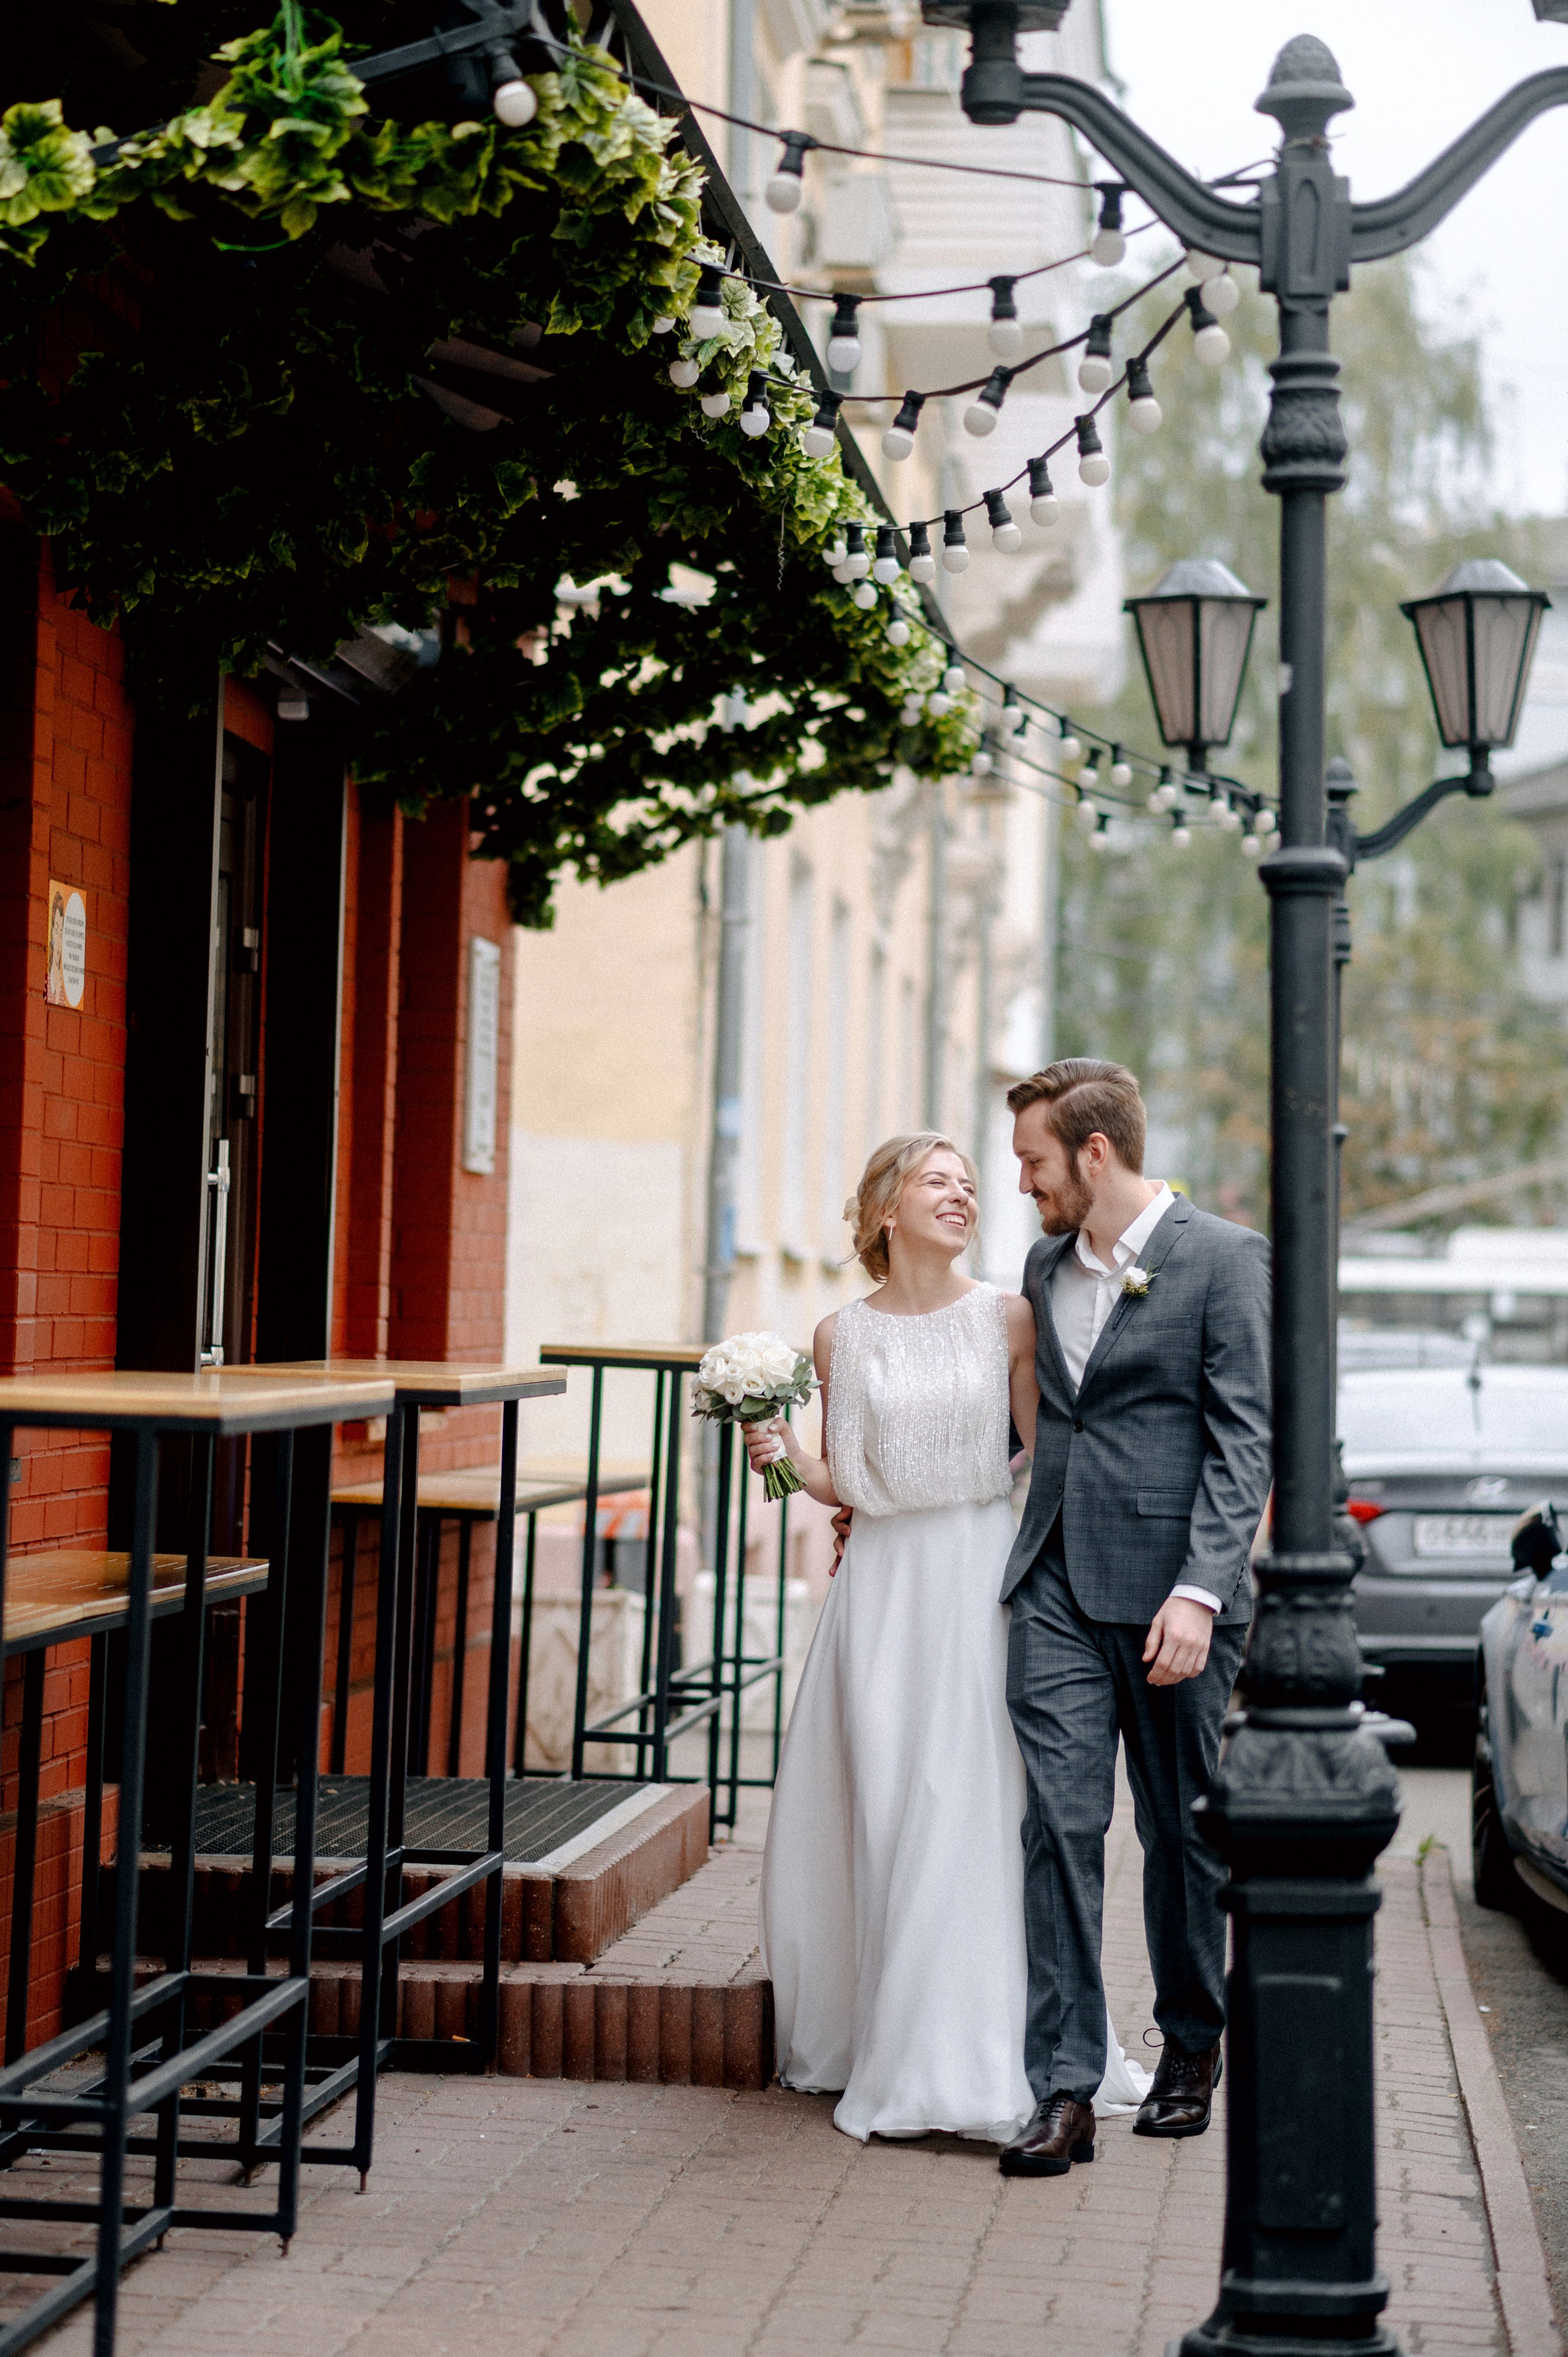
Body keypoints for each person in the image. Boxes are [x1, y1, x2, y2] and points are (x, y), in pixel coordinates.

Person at [749, 1131, 1148, 2146]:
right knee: (886, 1804)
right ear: (888, 1208)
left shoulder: (1006, 1317)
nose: (963, 1195)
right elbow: (850, 1475)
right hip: (881, 1589)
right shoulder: (840, 1336)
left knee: (968, 1804)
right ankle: (890, 2035)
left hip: (979, 1579)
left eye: (971, 1184)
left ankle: (986, 2052)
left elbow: (1037, 1459)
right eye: (940, 1182)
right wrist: (786, 1455)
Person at [998, 1059, 1270, 2178]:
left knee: (1178, 1834)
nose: (1024, 1185)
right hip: (1055, 1582)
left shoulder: (1222, 1258)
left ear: (1094, 1154)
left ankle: (1193, 2048)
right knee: (1059, 1829)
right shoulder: (1042, 1264)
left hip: (1173, 1599)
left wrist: (1202, 1593)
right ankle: (1065, 2085)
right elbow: (1034, 1423)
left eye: (1034, 1161)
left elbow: (1243, 1437)